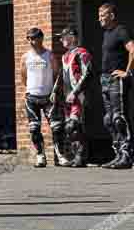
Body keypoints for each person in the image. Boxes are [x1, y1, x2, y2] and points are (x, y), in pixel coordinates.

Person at [20, 28, 65, 167]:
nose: (32, 41)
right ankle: (40, 155)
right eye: (29, 38)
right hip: (31, 97)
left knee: (56, 127)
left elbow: (57, 74)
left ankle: (60, 155)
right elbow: (23, 75)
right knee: (34, 128)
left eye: (35, 38)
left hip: (48, 97)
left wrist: (53, 91)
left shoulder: (49, 55)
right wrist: (28, 90)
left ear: (41, 39)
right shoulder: (25, 57)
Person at [98, 3, 134, 169]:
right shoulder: (106, 34)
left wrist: (127, 72)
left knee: (119, 118)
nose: (100, 18)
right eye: (99, 16)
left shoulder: (121, 30)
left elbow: (132, 49)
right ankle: (118, 155)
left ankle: (127, 156)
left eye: (103, 15)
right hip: (105, 79)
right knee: (108, 120)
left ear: (111, 15)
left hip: (116, 80)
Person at [54, 27, 92, 168]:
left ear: (72, 37)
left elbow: (87, 74)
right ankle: (77, 155)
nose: (61, 40)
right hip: (66, 97)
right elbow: (62, 76)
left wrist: (75, 92)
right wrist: (55, 91)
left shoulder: (82, 53)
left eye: (63, 37)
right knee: (69, 128)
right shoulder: (65, 56)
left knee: (74, 125)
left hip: (78, 96)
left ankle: (81, 156)